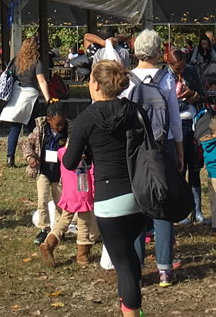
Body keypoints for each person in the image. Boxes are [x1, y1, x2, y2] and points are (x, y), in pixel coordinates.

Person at [61, 60, 146, 317]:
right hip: (140, 195)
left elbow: (69, 161)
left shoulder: (87, 118)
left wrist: (87, 149)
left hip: (110, 200)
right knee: (130, 256)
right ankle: (135, 309)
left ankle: (132, 313)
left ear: (96, 84)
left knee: (122, 264)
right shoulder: (134, 111)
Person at [123, 29, 185, 286]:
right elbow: (174, 119)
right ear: (159, 51)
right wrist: (180, 151)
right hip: (163, 145)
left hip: (136, 148)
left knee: (138, 204)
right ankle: (164, 269)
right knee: (164, 205)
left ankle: (136, 270)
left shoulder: (126, 80)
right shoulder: (166, 79)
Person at [43, 121, 101, 268]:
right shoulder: (86, 154)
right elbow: (92, 173)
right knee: (84, 223)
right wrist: (94, 191)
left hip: (68, 193)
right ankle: (82, 255)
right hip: (83, 194)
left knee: (63, 221)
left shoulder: (62, 152)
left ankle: (49, 243)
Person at [0, 37, 53, 168]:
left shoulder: (16, 61)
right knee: (34, 128)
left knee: (15, 127)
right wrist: (48, 99)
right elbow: (42, 82)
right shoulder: (36, 62)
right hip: (30, 97)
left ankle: (9, 157)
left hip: (17, 95)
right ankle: (37, 154)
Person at [170, 49, 209, 226]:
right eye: (178, 68)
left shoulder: (191, 72)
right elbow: (167, 103)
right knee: (180, 169)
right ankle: (180, 211)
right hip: (177, 125)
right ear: (170, 65)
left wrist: (191, 95)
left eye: (183, 67)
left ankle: (197, 210)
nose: (181, 71)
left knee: (195, 168)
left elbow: (201, 95)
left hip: (194, 123)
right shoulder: (165, 77)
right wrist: (182, 99)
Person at [24, 103, 68, 246]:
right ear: (49, 119)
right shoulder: (40, 131)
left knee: (59, 202)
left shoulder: (68, 132)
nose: (60, 127)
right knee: (42, 200)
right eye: (57, 124)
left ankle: (58, 230)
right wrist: (30, 157)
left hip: (59, 173)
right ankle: (44, 228)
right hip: (43, 171)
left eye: (62, 123)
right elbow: (27, 144)